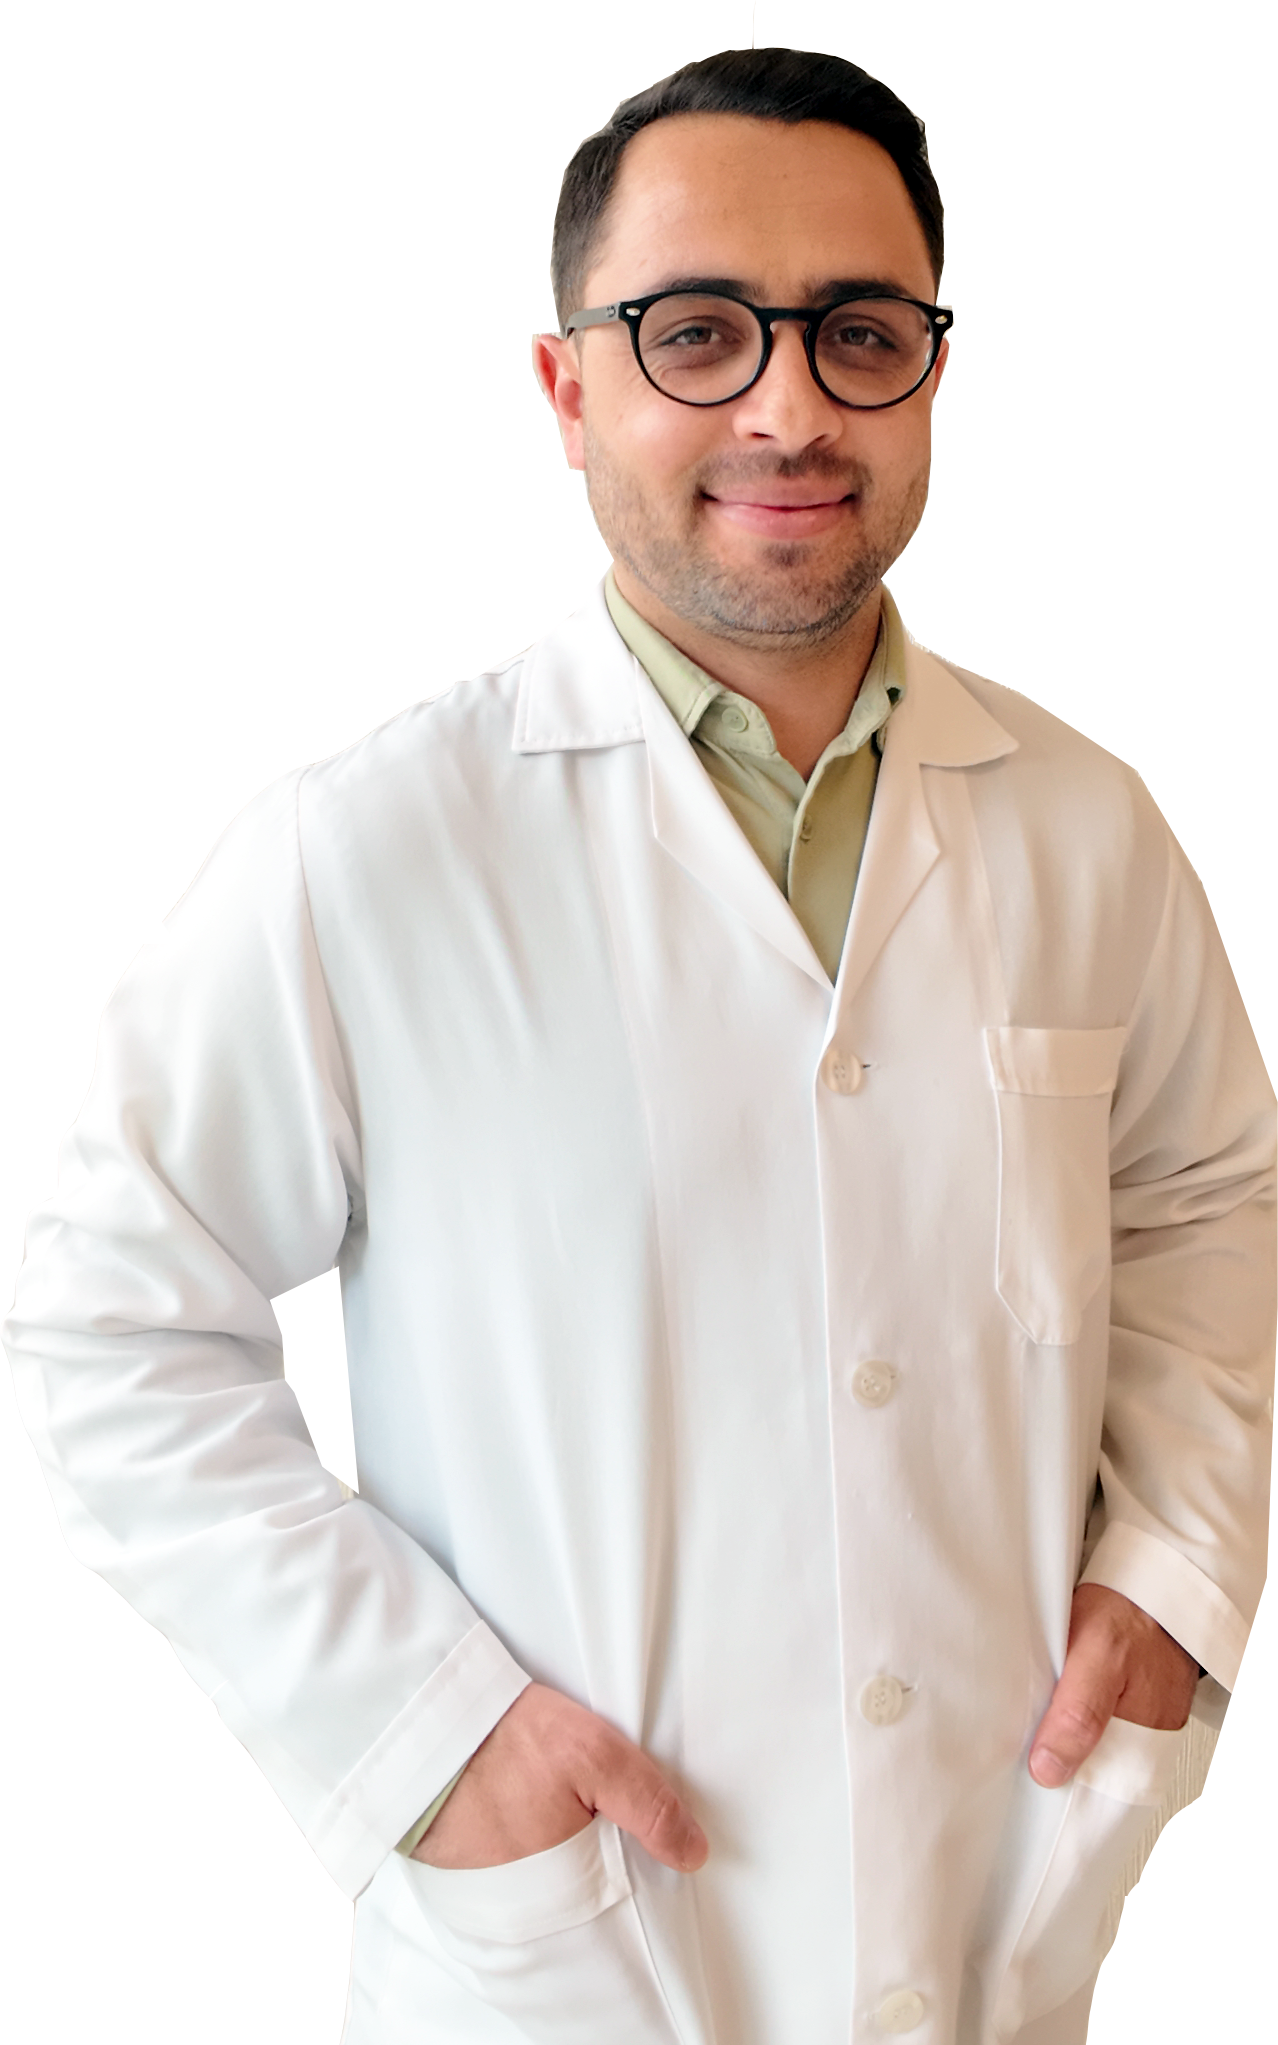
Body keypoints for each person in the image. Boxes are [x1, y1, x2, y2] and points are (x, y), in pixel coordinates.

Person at [3, 44, 1274, 2045]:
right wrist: (426, 1732)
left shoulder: (1084, 824)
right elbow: (109, 1324)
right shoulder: (369, 853)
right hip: (575, 1958)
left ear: (930, 374)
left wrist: (1178, 1566)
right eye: (696, 333)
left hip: (991, 1922)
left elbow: (1205, 1199)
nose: (787, 405)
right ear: (566, 386)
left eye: (860, 333)